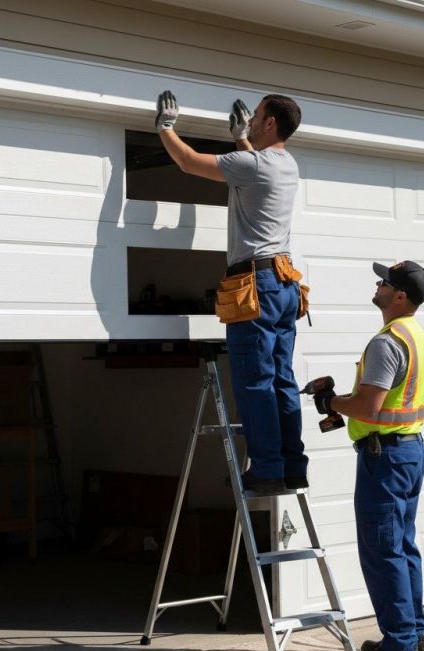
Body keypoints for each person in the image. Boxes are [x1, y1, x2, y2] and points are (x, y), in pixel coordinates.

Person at [154, 90, 308, 494]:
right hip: (284, 285)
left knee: (255, 381)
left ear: (271, 122)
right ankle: (292, 466)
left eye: (256, 117)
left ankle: (268, 470)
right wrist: (241, 136)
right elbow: (252, 164)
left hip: (255, 287)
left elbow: (188, 162)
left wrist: (165, 128)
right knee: (282, 381)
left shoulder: (252, 164)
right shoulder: (287, 165)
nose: (252, 121)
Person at [316, 260, 424, 651]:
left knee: (383, 550)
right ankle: (412, 636)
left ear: (399, 296)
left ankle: (400, 645)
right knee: (402, 546)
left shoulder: (386, 342)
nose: (378, 284)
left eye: (384, 282)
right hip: (408, 452)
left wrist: (331, 402)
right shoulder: (414, 334)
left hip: (384, 458)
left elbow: (369, 405)